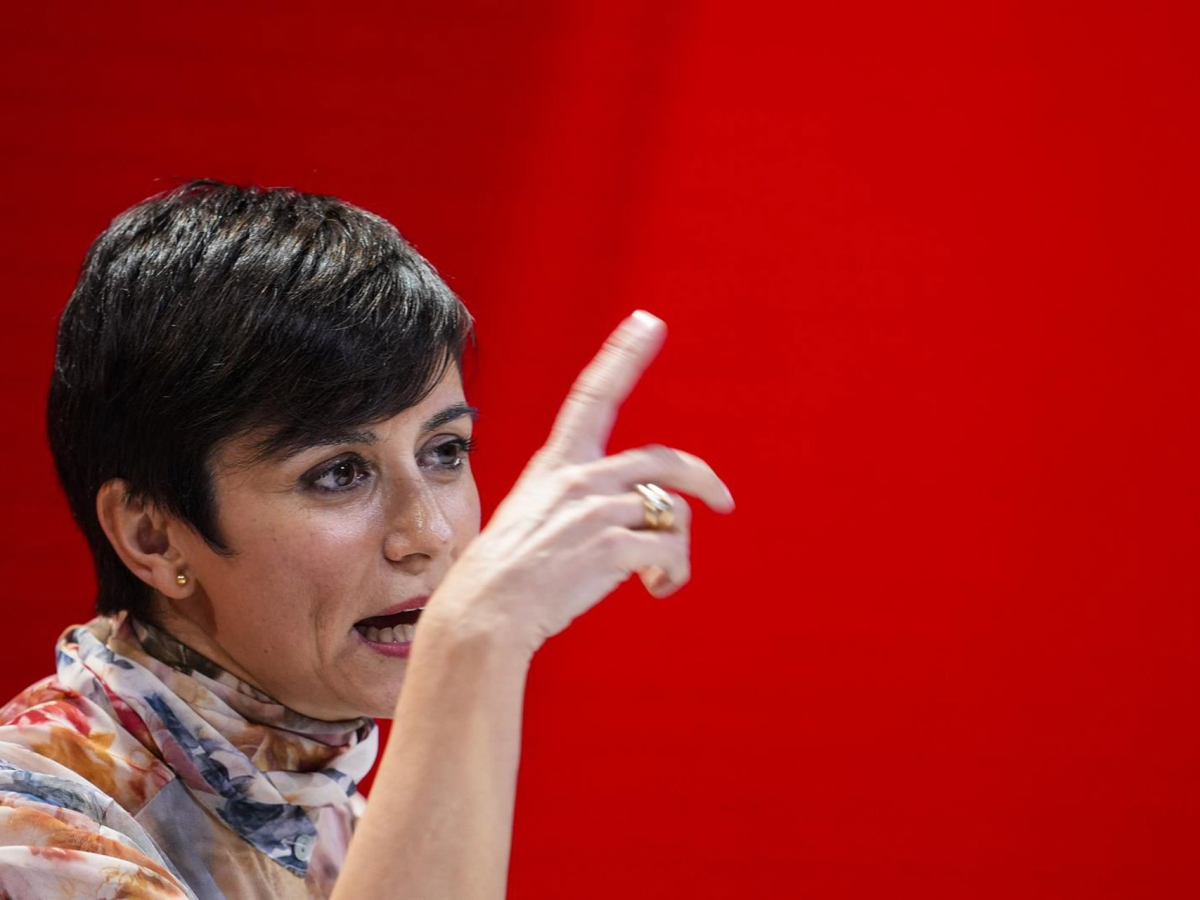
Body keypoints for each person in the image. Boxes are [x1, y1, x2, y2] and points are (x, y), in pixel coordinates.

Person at [0, 180, 735, 899]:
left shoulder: (339, 820)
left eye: (445, 451)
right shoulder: (29, 822)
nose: (430, 533)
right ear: (154, 537)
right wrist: (473, 645)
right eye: (339, 473)